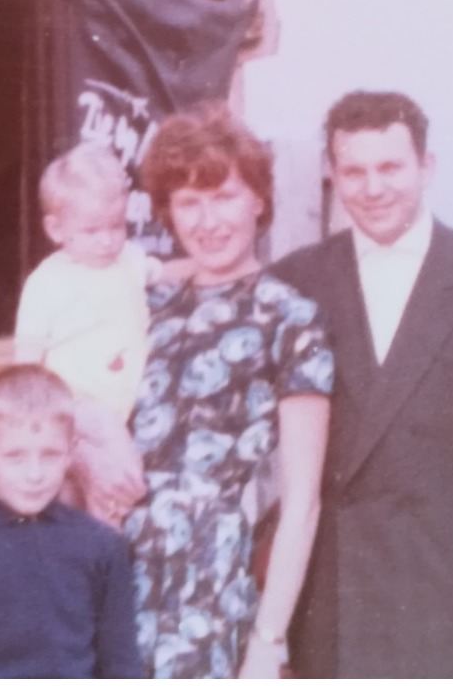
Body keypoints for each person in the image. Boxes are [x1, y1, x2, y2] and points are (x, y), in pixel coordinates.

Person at [272, 91, 453, 679]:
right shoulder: (293, 283)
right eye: (354, 171)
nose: (372, 188)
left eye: (390, 167)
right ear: (332, 175)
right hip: (335, 606)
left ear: (426, 167)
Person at [126, 104, 334, 679]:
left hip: (206, 584)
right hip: (109, 570)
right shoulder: (145, 305)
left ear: (259, 201)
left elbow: (302, 502)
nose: (208, 220)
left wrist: (268, 644)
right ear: (167, 211)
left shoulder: (289, 320)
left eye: (224, 197)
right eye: (189, 202)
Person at [0, 364, 143, 679]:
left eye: (50, 455)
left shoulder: (104, 546)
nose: (34, 474)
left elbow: (121, 665)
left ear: (71, 453)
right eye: (15, 456)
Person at [13, 142, 186, 525]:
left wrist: (206, 267)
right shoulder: (48, 282)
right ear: (56, 229)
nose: (107, 240)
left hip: (126, 404)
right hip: (78, 404)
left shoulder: (131, 260)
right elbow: (26, 363)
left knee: (84, 495)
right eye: (91, 230)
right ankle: (107, 547)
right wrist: (37, 422)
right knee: (120, 474)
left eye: (116, 226)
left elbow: (166, 272)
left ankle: (95, 552)